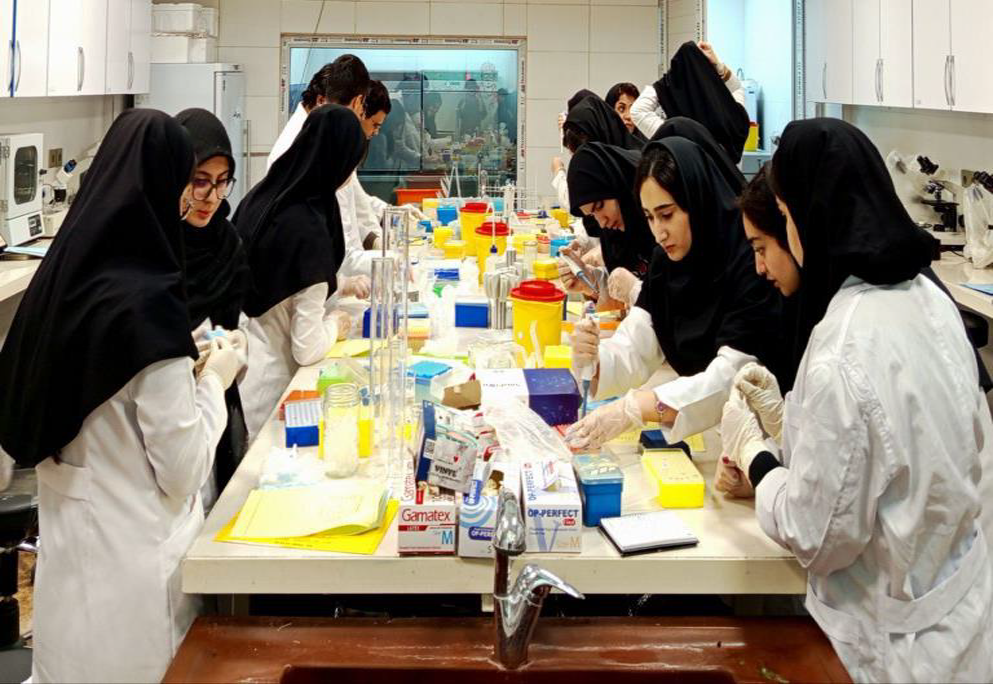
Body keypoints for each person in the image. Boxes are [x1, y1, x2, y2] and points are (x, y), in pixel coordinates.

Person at [720, 118, 993, 683]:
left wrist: (757, 458)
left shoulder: (843, 346)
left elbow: (818, 536)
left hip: (899, 645)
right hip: (963, 606)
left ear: (812, 213)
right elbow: (902, 450)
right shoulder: (927, 297)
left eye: (786, 216)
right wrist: (791, 427)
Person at [0, 109, 244, 683]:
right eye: (185, 183)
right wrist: (214, 379)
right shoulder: (150, 305)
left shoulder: (63, 283)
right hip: (134, 574)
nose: (190, 201)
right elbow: (182, 470)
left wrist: (178, 362)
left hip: (69, 563)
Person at [564, 137, 785, 452]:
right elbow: (640, 339)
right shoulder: (666, 262)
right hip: (712, 434)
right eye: (649, 217)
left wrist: (637, 408)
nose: (659, 232)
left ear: (696, 202)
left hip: (762, 438)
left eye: (666, 214)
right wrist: (596, 359)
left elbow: (733, 374)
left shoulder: (750, 262)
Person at [235, 105, 366, 439]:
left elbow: (281, 280)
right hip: (273, 387)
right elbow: (306, 348)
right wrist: (336, 324)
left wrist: (339, 285)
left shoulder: (267, 197)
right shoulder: (309, 230)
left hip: (244, 368)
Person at [175, 107, 251, 503]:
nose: (211, 198)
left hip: (214, 402)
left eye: (222, 183)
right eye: (200, 181)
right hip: (163, 414)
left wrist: (235, 346)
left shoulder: (226, 242)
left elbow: (232, 320)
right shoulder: (157, 247)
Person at [560, 143, 656, 311]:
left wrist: (635, 291)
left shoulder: (658, 225)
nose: (602, 222)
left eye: (600, 206)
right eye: (592, 215)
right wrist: (592, 280)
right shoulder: (616, 233)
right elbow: (628, 286)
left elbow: (679, 304)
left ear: (618, 186)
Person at [631, 41, 749, 162]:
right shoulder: (733, 123)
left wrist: (665, 83)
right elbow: (737, 89)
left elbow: (638, 111)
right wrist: (718, 65)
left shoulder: (679, 138)